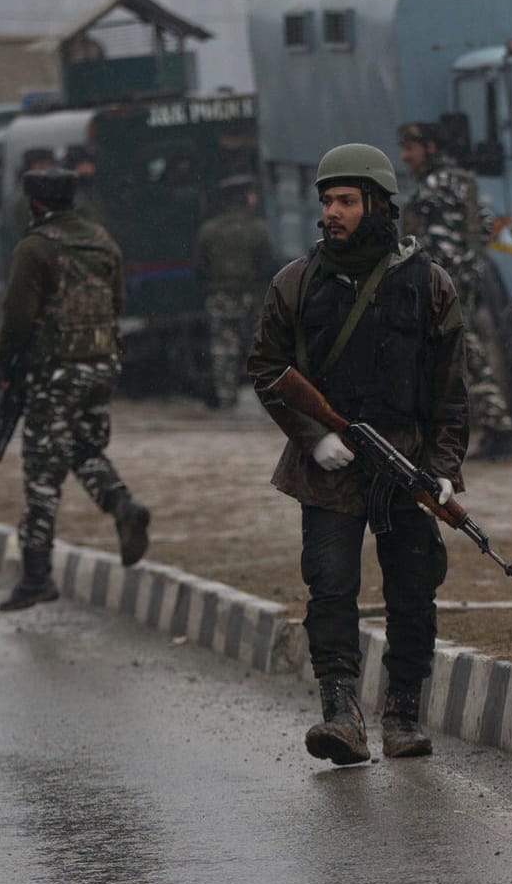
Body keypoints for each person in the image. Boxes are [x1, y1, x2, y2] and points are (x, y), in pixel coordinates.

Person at [247, 144, 468, 766]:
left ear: (376, 205)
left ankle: (402, 712)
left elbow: (452, 390)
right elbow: (266, 369)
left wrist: (447, 470)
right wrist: (314, 437)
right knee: (330, 586)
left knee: (412, 586)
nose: (333, 213)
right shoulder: (296, 282)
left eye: (346, 201)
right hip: (328, 470)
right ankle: (340, 715)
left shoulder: (430, 284)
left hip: (406, 463)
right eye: (326, 201)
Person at [0, 166, 152, 612]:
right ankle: (121, 504)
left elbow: (18, 315)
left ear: (36, 203)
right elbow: (117, 303)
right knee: (82, 447)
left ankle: (37, 575)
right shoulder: (102, 241)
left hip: (53, 371)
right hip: (102, 364)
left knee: (42, 472)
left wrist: (3, 365)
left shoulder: (35, 247)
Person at [399, 121, 512, 460]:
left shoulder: (433, 189)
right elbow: (482, 225)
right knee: (461, 355)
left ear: (430, 147)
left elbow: (429, 244)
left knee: (465, 354)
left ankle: (497, 429)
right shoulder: (463, 181)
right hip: (461, 280)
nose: (405, 156)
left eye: (411, 148)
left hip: (442, 285)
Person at [193, 174, 277, 410]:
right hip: (251, 295)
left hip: (219, 296)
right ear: (245, 198)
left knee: (223, 349)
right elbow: (268, 264)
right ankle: (264, 400)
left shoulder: (208, 230)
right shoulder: (258, 229)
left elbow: (200, 267)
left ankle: (226, 399)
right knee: (259, 348)